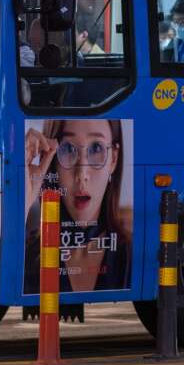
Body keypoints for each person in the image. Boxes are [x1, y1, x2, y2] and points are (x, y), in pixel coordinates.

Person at [24, 120, 132, 292]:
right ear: (52, 159)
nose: (81, 175)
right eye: (68, 149)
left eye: (96, 148)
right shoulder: (26, 254)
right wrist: (24, 202)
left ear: (113, 159)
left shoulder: (135, 254)